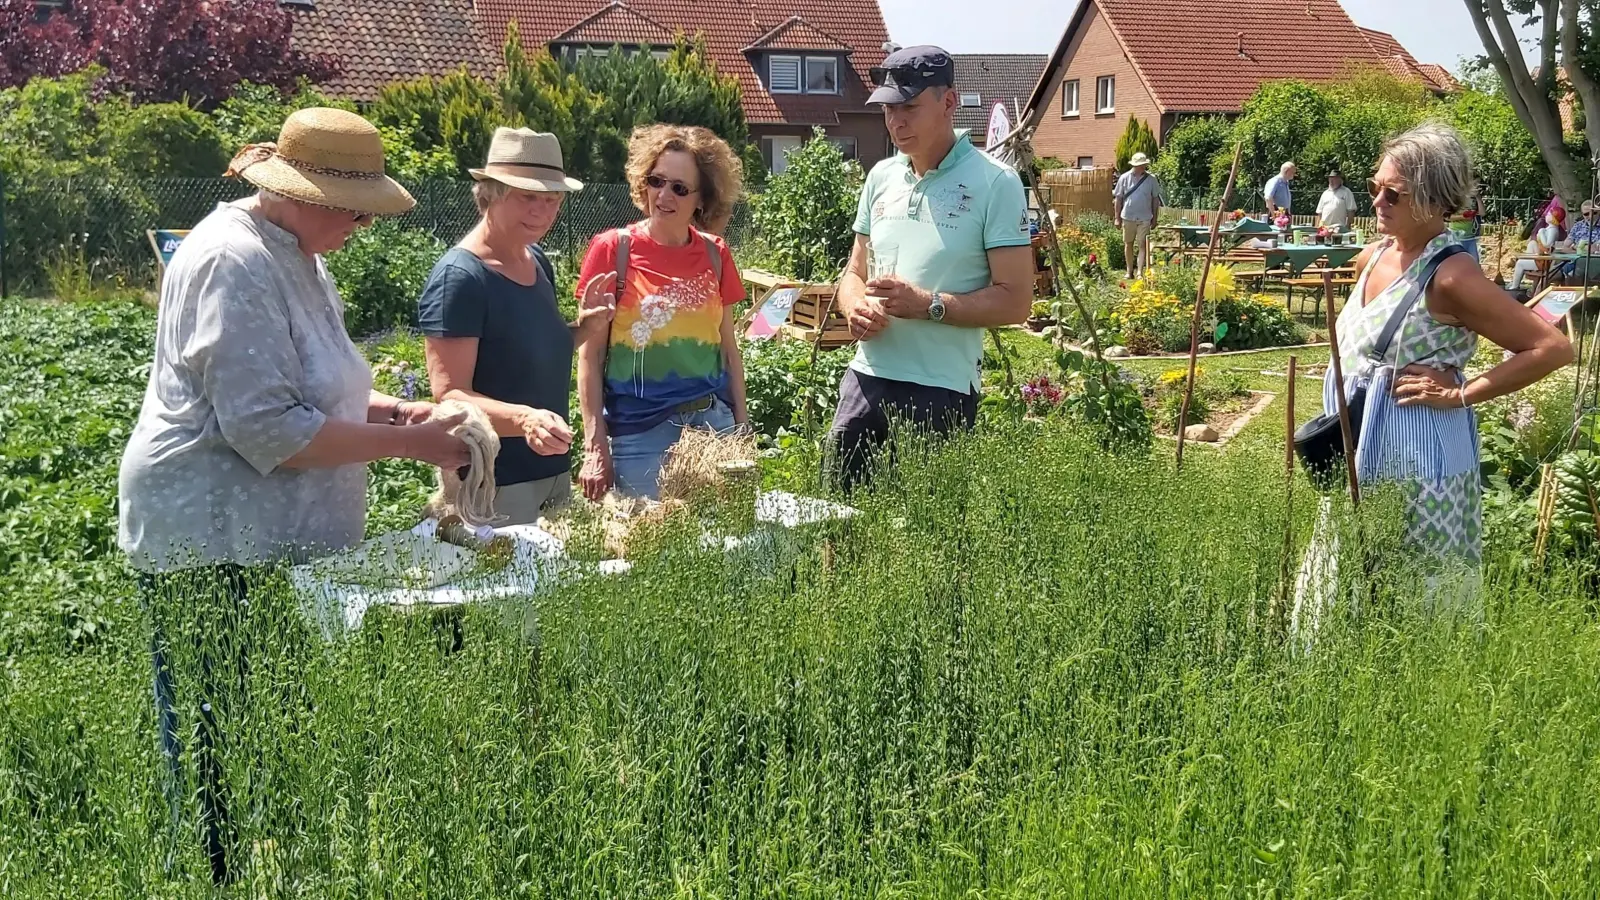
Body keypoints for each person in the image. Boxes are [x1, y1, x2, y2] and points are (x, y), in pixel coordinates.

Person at [117, 108, 472, 884]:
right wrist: (413, 443)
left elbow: (315, 387)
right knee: (217, 738)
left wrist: (392, 411)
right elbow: (269, 430)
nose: (360, 224)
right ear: (299, 191)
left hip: (276, 536)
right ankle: (212, 877)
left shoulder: (300, 250)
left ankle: (263, 869)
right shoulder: (231, 261)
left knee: (266, 725)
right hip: (211, 539)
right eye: (352, 208)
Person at [1293, 123, 1571, 637]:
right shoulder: (1374, 254)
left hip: (1419, 458)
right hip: (1359, 453)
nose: (1376, 200)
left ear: (1433, 199)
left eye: (1392, 193)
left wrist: (1462, 392)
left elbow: (1552, 347)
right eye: (1376, 186)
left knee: (1419, 600)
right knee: (1347, 589)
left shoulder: (1451, 276)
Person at [829, 44, 1033, 491]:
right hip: (867, 378)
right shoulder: (880, 176)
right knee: (838, 524)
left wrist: (929, 305)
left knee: (926, 538)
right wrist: (853, 304)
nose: (896, 122)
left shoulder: (996, 183)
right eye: (888, 109)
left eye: (909, 107)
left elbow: (1017, 300)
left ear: (949, 102)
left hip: (941, 391)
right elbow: (853, 271)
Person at [418, 128, 616, 523]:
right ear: (491, 192)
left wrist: (585, 327)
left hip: (552, 471)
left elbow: (533, 350)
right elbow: (450, 395)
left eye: (552, 200)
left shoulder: (536, 259)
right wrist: (526, 419)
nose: (542, 212)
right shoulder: (460, 277)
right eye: (528, 197)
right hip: (495, 482)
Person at [575, 124, 749, 500]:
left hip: (712, 428)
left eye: (679, 188)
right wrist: (594, 445)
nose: (663, 195)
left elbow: (729, 350)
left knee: (725, 545)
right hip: (639, 435)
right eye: (656, 181)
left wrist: (742, 428)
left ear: (702, 199)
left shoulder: (716, 254)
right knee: (650, 549)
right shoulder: (612, 251)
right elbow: (591, 356)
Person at [1113, 151, 1164, 278]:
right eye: (1140, 165)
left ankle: (1140, 272)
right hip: (1128, 217)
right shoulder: (1124, 178)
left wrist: (1155, 218)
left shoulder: (1151, 179)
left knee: (1142, 244)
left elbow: (1155, 199)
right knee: (1128, 243)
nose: (1142, 167)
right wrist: (1117, 218)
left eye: (1143, 165)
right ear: (1134, 165)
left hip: (1145, 217)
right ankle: (1129, 271)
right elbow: (1118, 199)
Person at [1507, 204, 1565, 293]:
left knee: (1520, 263)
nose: (1546, 215)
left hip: (1545, 260)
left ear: (1554, 218)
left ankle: (1515, 286)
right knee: (1532, 243)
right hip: (1542, 255)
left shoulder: (1553, 230)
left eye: (1549, 214)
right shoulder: (1550, 228)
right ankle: (1526, 260)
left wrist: (1541, 233)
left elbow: (1547, 244)